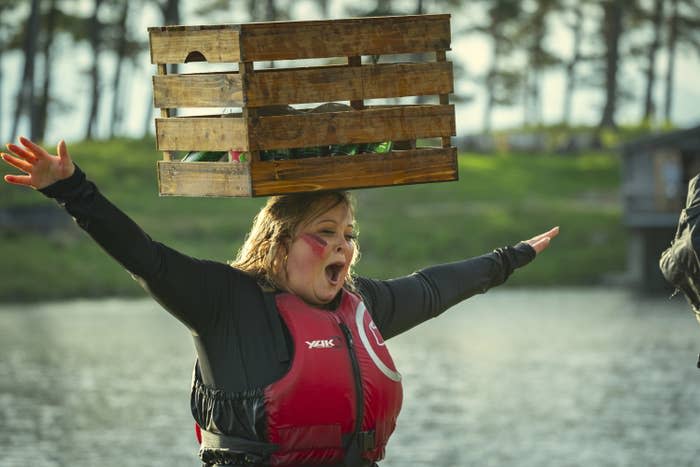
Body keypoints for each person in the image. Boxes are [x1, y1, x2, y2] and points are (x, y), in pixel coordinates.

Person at [2, 137, 559, 467]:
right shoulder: (226, 303)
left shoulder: (362, 307)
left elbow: (436, 288)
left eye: (349, 234)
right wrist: (70, 188)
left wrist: (509, 258)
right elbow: (145, 256)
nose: (343, 245)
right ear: (279, 243)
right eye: (325, 233)